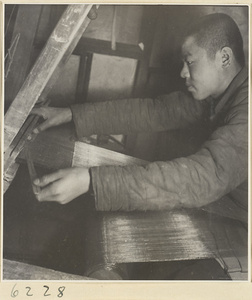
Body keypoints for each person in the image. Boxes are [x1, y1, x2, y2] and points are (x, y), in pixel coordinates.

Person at [31, 13, 248, 224]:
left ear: (225, 58)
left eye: (190, 62)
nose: (183, 73)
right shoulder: (214, 96)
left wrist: (91, 181)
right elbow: (153, 112)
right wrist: (69, 114)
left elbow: (206, 176)